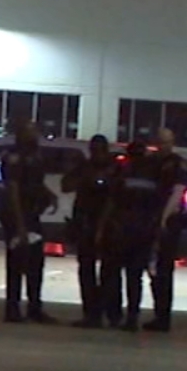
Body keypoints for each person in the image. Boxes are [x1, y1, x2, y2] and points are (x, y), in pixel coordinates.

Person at [1, 121, 56, 324]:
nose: (36, 136)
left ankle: (35, 308)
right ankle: (12, 309)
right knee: (16, 264)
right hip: (17, 216)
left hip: (32, 215)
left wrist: (49, 195)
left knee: (36, 263)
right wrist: (20, 224)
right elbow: (13, 190)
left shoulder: (35, 155)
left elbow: (36, 182)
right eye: (32, 132)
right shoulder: (14, 157)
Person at [62, 135, 119, 329]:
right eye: (94, 150)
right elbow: (66, 185)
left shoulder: (115, 168)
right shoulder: (84, 167)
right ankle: (91, 313)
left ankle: (112, 314)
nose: (97, 154)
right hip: (85, 222)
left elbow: (115, 198)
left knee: (109, 272)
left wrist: (102, 228)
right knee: (86, 270)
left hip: (108, 225)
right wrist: (83, 177)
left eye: (100, 150)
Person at [143, 128, 187, 332]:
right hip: (150, 219)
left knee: (163, 270)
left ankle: (163, 317)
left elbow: (177, 192)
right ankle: (158, 314)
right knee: (153, 269)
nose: (163, 146)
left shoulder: (178, 164)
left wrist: (164, 218)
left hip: (168, 222)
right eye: (160, 142)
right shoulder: (152, 162)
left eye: (166, 142)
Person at [111, 138, 156, 331]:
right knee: (134, 276)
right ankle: (132, 316)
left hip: (125, 229)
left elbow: (113, 201)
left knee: (118, 274)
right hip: (142, 231)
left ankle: (119, 315)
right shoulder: (153, 175)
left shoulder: (123, 173)